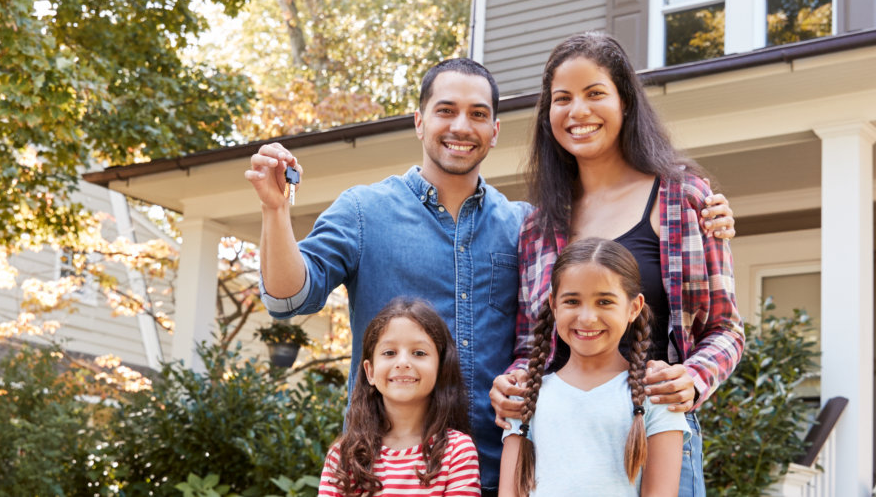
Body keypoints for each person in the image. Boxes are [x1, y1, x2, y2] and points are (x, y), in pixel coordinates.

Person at [246, 58, 735, 491]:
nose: (462, 125)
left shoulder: (526, 224)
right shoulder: (362, 211)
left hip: (509, 467)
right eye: (445, 110)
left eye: (478, 114)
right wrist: (274, 213)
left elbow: (555, 331)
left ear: (495, 131)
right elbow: (291, 299)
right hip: (396, 472)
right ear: (419, 121)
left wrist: (707, 217)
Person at [491, 32, 743, 497]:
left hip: (653, 437)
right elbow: (532, 345)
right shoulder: (538, 228)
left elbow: (726, 328)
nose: (577, 112)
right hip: (558, 449)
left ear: (625, 101)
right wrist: (511, 383)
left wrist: (692, 377)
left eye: (594, 94)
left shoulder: (684, 200)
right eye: (561, 99)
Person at [500, 238, 686, 497]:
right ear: (554, 305)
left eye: (604, 302)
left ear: (634, 307)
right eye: (572, 302)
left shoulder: (656, 395)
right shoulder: (527, 395)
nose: (587, 318)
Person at [318, 298, 480, 497]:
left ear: (441, 368)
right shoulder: (343, 456)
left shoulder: (457, 452)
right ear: (370, 372)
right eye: (389, 352)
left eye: (419, 353)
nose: (402, 362)